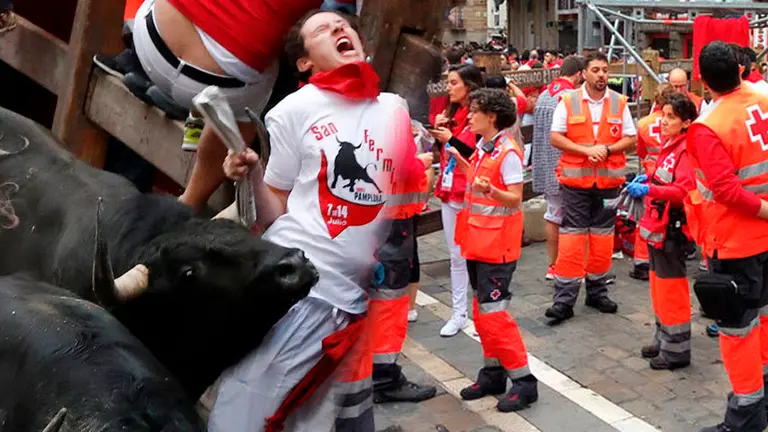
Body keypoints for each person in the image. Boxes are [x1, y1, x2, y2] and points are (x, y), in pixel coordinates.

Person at [208, 10, 432, 431]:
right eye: (322, 29)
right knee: (245, 413)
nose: (339, 29)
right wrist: (252, 173)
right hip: (306, 289)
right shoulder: (294, 110)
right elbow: (277, 211)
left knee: (330, 421)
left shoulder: (394, 110)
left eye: (344, 25)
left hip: (359, 303)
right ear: (305, 61)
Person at [131, 0, 319, 212]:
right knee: (270, 73)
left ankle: (191, 112)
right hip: (215, 83)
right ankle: (191, 202)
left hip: (149, 33)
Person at [687, 41, 768, 432]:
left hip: (736, 242)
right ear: (740, 69)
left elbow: (725, 191)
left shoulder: (708, 126)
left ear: (701, 80)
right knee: (764, 321)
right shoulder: (765, 95)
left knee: (737, 334)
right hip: (764, 241)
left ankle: (745, 419)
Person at [447, 88, 539, 413]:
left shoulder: (507, 152)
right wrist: (464, 166)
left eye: (475, 111)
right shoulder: (485, 149)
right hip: (479, 242)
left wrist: (492, 189)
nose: (469, 116)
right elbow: (480, 185)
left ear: (492, 117)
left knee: (495, 315)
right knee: (482, 311)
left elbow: (515, 197)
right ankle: (493, 373)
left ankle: (524, 382)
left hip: (497, 246)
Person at [544, 52, 637, 323]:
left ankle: (597, 291)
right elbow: (555, 137)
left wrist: (606, 149)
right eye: (595, 69)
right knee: (572, 238)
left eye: (605, 70)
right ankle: (564, 299)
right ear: (583, 73)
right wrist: (586, 151)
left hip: (608, 184)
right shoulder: (568, 101)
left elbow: (630, 137)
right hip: (576, 183)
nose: (601, 75)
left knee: (603, 238)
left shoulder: (619, 102)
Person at [627, 93, 698, 370]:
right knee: (659, 285)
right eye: (663, 114)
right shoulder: (672, 145)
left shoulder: (686, 149)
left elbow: (683, 191)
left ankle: (676, 350)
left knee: (671, 289)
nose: (663, 121)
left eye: (671, 117)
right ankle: (664, 337)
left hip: (673, 227)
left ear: (686, 122)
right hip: (659, 226)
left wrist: (650, 188)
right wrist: (650, 178)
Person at [429, 64, 485, 337]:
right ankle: (458, 312)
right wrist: (440, 135)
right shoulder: (452, 112)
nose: (448, 88)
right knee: (456, 255)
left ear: (469, 86)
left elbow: (477, 152)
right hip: (449, 190)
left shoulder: (479, 115)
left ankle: (481, 313)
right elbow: (446, 153)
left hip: (472, 192)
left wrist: (450, 139)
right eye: (447, 82)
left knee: (475, 255)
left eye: (453, 83)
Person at [531, 55, 585, 280]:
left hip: (544, 162)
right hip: (566, 164)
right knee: (574, 219)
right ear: (580, 74)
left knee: (552, 216)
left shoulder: (544, 94)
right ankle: (571, 266)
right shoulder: (571, 97)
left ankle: (553, 265)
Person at [631, 83, 675, 281]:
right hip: (673, 173)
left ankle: (641, 261)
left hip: (652, 175)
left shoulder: (643, 123)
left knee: (647, 217)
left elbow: (640, 152)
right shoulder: (677, 122)